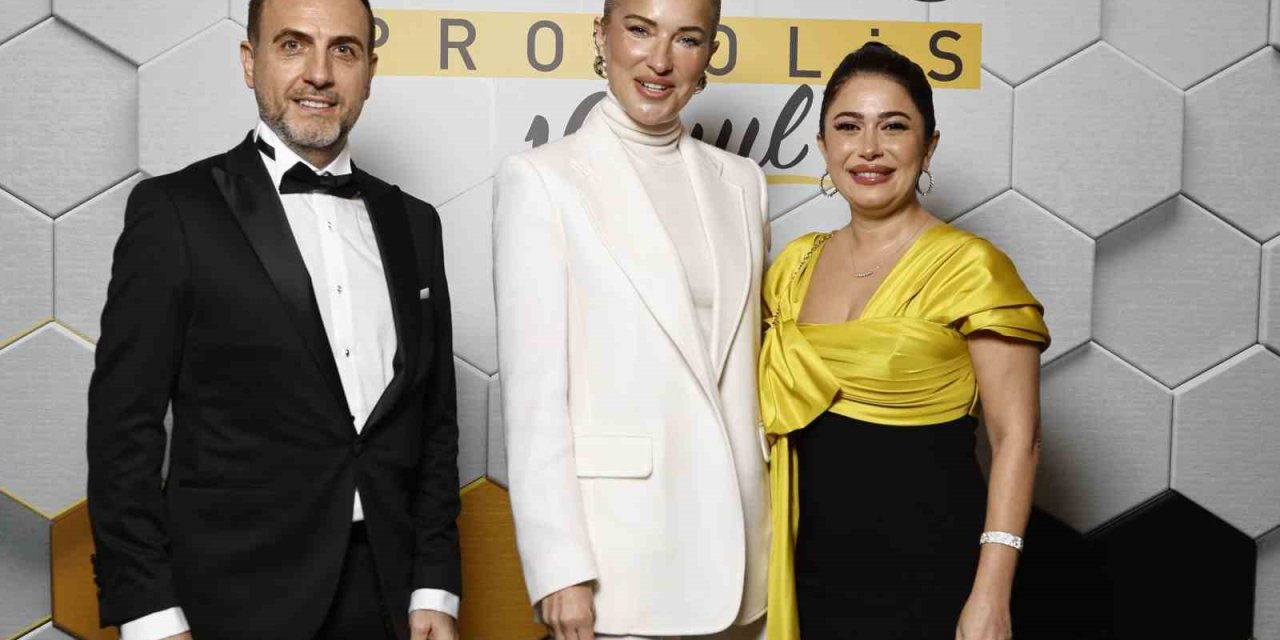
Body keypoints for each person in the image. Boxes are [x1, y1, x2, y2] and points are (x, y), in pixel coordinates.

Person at [85, 0, 461, 638]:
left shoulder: (416, 224)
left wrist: (434, 587)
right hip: (229, 601)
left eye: (343, 50)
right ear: (248, 61)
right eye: (292, 45)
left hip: (390, 599)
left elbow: (435, 424)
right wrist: (148, 613)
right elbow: (124, 429)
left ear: (369, 72)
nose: (319, 73)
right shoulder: (174, 212)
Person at [492, 0, 771, 638]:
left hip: (743, 563)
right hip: (620, 564)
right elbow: (534, 399)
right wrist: (559, 569)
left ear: (709, 53)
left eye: (687, 39)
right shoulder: (541, 180)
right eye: (640, 30)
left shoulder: (743, 182)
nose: (659, 60)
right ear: (602, 35)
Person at [759, 43, 1049, 640]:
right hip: (804, 576)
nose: (869, 148)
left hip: (934, 579)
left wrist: (991, 594)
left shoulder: (973, 267)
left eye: (894, 126)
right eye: (848, 127)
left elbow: (1017, 440)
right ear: (823, 147)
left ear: (929, 145)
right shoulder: (791, 268)